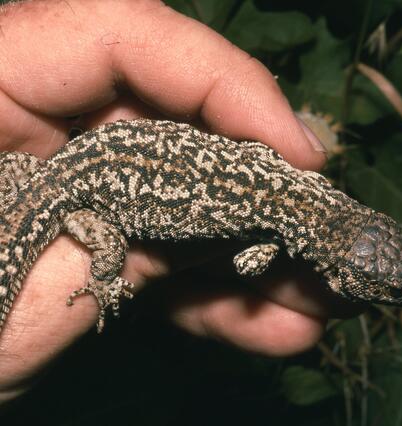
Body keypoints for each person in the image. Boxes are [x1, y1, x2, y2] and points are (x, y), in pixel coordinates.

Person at [0, 0, 359, 404]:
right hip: (66, 199)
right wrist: (102, 282)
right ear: (341, 274)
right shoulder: (275, 236)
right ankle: (101, 281)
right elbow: (243, 263)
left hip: (39, 171)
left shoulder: (283, 169)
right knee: (111, 250)